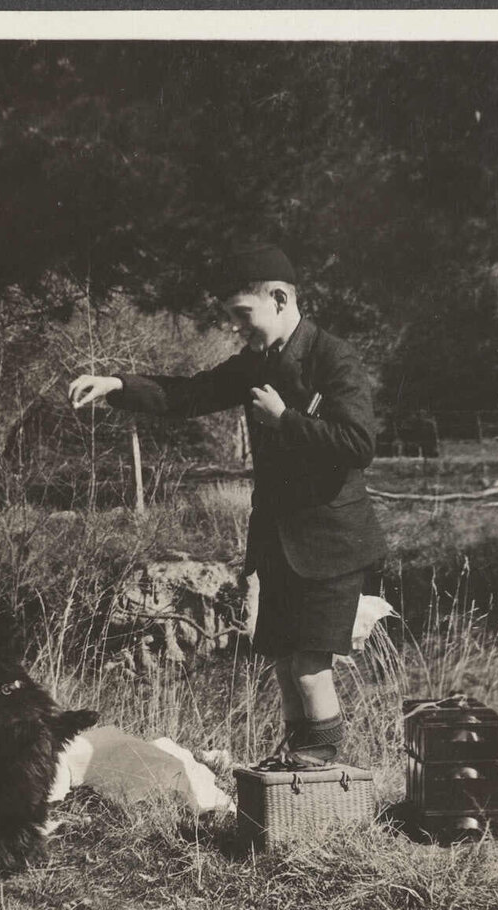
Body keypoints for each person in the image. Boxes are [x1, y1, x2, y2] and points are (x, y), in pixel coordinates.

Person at [67, 245, 387, 766]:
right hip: (279, 544)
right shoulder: (256, 362)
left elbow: (359, 444)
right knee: (283, 664)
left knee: (310, 669)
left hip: (332, 546)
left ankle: (320, 775)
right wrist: (118, 385)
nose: (236, 327)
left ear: (279, 298)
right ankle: (295, 770)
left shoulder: (333, 357)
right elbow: (190, 394)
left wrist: (285, 420)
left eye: (243, 314)